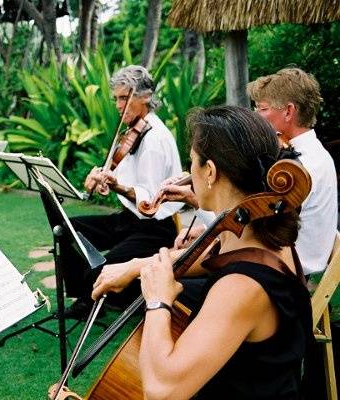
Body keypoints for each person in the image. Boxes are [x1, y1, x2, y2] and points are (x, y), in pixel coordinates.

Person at [96, 105, 312, 398]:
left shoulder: (242, 287)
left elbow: (161, 391)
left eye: (192, 162)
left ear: (210, 171)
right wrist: (135, 265)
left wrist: (158, 302)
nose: (189, 172)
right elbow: (214, 254)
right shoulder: (254, 228)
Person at [158, 68, 337, 276]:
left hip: (282, 270)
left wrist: (196, 200)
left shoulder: (297, 168)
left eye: (262, 109)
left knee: (174, 285)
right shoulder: (311, 154)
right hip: (277, 260)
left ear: (288, 111)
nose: (255, 116)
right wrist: (204, 230)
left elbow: (248, 232)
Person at [62, 65, 182, 319]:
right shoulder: (135, 131)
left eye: (124, 97)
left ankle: (102, 298)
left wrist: (117, 186)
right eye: (115, 98)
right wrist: (102, 179)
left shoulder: (154, 140)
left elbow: (149, 203)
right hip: (128, 220)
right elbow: (122, 179)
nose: (118, 105)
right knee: (69, 229)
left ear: (146, 97)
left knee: (99, 271)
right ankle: (84, 298)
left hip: (154, 229)